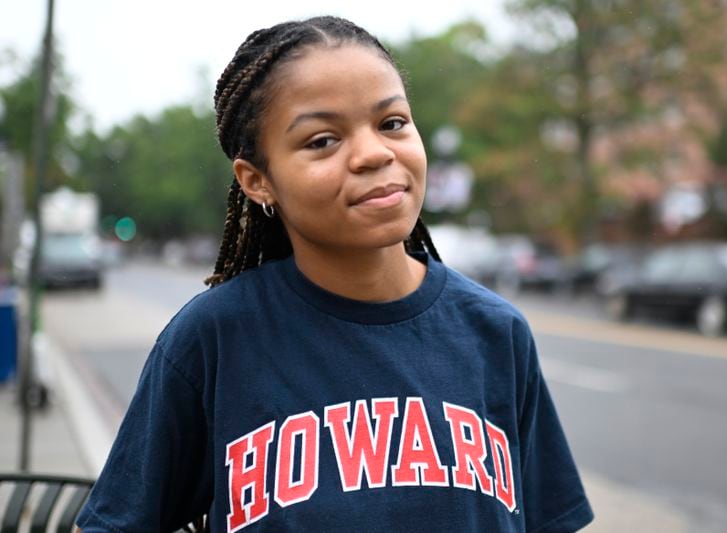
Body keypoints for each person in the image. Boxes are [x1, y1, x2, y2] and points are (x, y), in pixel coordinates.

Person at [76, 16, 593, 533]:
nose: (374, 153)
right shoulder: (212, 340)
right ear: (257, 180)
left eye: (392, 123)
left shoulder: (496, 333)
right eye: (322, 140)